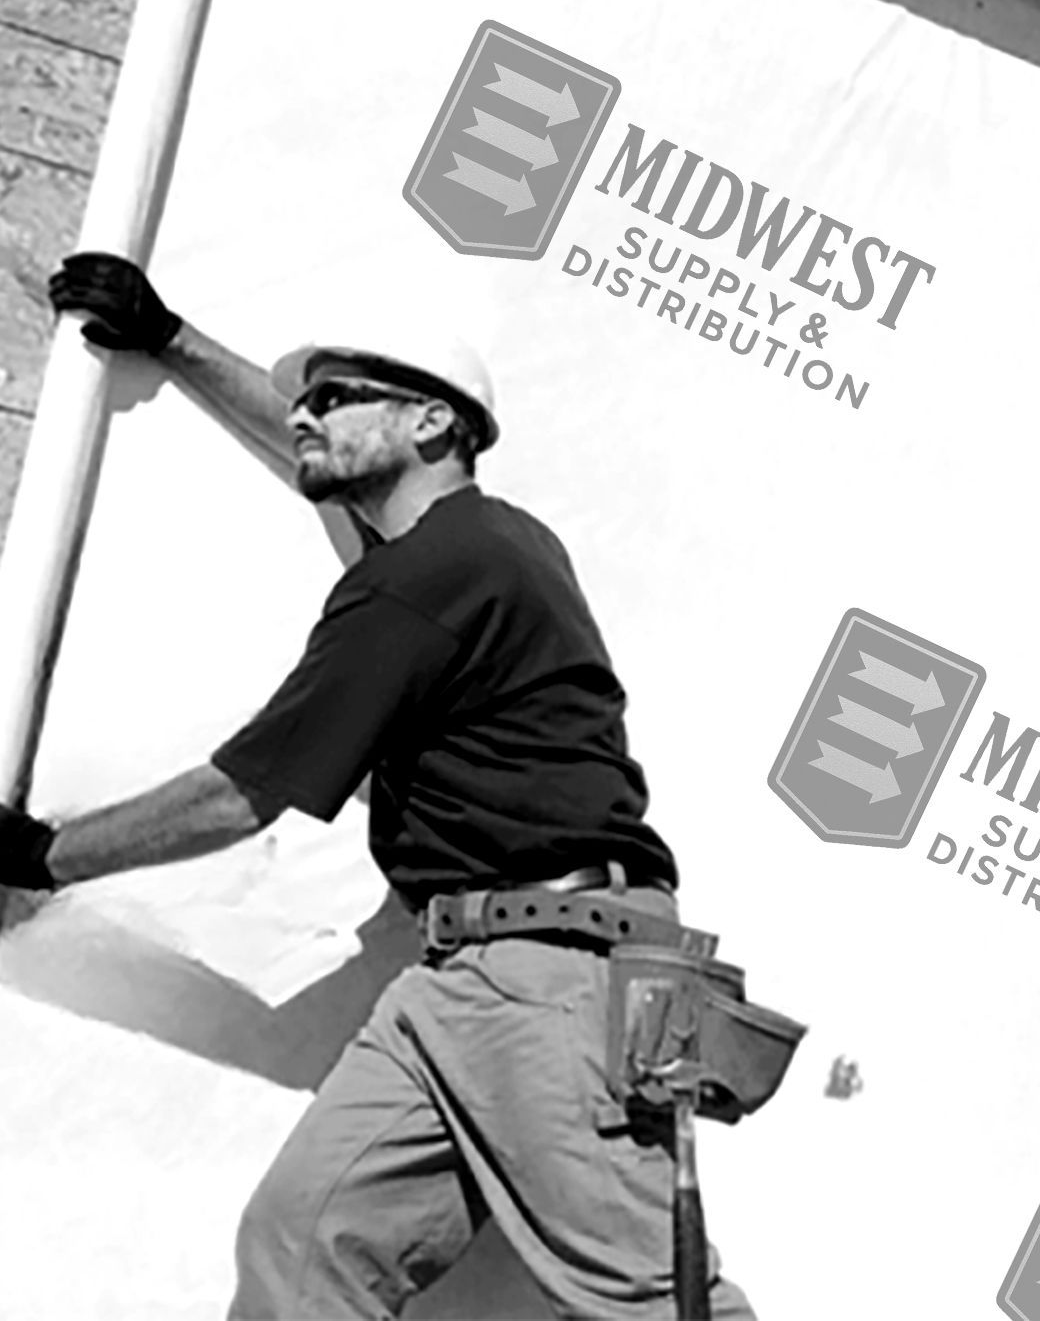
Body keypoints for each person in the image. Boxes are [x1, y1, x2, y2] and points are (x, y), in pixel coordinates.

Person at [0, 253, 756, 1320]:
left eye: (337, 397)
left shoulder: (428, 579)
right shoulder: (489, 544)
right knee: (305, 1247)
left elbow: (243, 793)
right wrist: (172, 339)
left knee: (652, 1302)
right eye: (306, 400)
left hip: (550, 982)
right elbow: (317, 464)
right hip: (466, 978)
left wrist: (41, 856)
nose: (306, 416)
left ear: (433, 424)